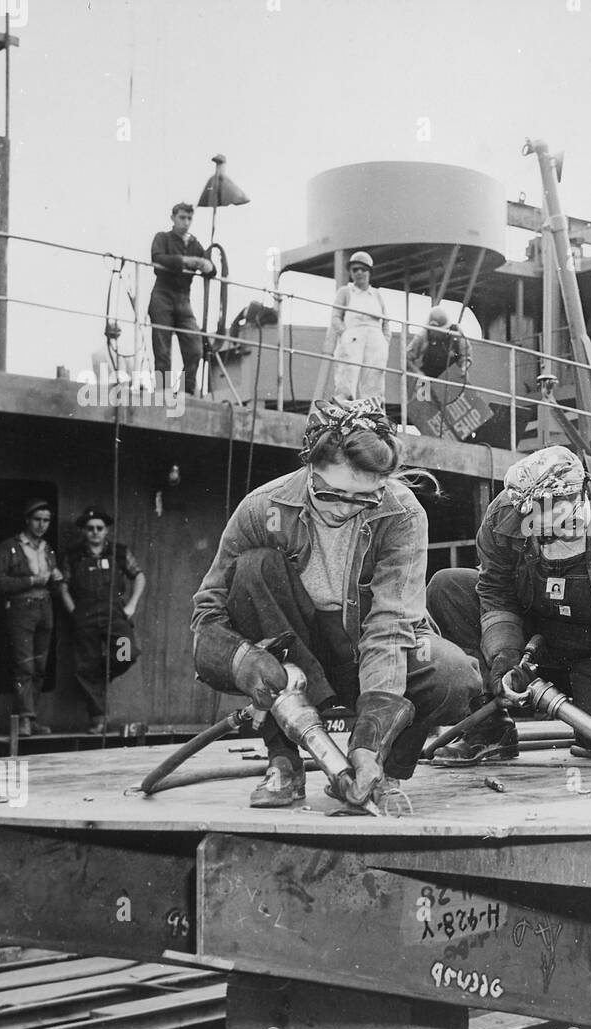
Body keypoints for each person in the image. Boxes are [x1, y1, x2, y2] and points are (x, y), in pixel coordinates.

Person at [190, 398, 480, 808]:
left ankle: (384, 773)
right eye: (333, 494)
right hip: (296, 653)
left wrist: (369, 741)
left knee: (453, 675)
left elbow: (390, 626)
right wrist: (245, 662)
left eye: (362, 499)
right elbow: (209, 612)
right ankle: (284, 764)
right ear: (310, 466)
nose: (345, 510)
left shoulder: (401, 514)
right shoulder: (263, 508)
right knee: (254, 568)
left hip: (368, 651)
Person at [427, 446, 591, 768]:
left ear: (580, 497)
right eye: (538, 530)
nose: (549, 537)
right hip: (534, 638)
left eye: (561, 526)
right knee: (448, 587)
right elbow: (495, 593)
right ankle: (490, 729)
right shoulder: (504, 515)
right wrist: (503, 657)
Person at [62, 508, 146, 734]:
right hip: (85, 616)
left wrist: (132, 605)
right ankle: (98, 719)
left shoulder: (119, 553)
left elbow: (138, 575)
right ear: (83, 531)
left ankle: (100, 675)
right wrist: (73, 612)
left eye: (99, 528)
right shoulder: (73, 555)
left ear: (106, 530)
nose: (95, 533)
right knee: (86, 666)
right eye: (90, 529)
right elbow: (62, 586)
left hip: (114, 614)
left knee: (127, 652)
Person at [0, 499, 65, 736]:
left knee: (40, 666)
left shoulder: (47, 548)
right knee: (25, 665)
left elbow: (55, 578)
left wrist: (57, 579)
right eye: (37, 519)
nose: (42, 525)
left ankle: (33, 718)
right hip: (22, 607)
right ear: (27, 520)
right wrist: (30, 581)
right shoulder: (9, 546)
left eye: (46, 520)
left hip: (45, 607)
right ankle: (24, 718)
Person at [149, 203, 215, 395]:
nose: (186, 222)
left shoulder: (194, 244)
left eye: (189, 218)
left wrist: (207, 264)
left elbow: (211, 269)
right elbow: (158, 258)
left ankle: (186, 391)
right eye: (182, 218)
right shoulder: (163, 238)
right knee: (162, 350)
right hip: (162, 295)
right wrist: (186, 261)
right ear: (173, 218)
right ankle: (162, 392)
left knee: (195, 349)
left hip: (183, 300)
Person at [322, 251, 391, 403]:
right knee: (347, 375)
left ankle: (373, 413)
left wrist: (384, 342)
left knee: (374, 378)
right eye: (355, 269)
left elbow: (386, 322)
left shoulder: (377, 295)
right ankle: (344, 409)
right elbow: (335, 317)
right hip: (353, 337)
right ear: (351, 273)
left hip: (376, 341)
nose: (359, 272)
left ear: (369, 272)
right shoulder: (345, 292)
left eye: (363, 269)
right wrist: (345, 333)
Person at [405, 306, 472, 382]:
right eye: (432, 329)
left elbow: (466, 356)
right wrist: (417, 373)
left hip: (451, 379)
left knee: (463, 387)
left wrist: (464, 367)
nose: (434, 333)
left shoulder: (457, 335)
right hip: (426, 378)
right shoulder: (423, 335)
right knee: (421, 387)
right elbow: (406, 357)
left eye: (438, 331)